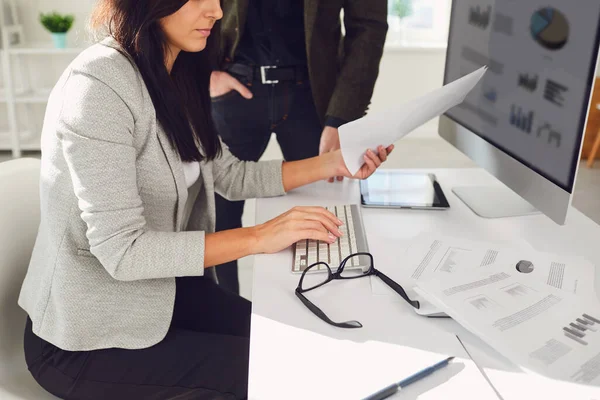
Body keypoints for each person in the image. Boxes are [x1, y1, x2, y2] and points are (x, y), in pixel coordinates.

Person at [17, 0, 393, 399]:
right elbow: (123, 251)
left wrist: (334, 163)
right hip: (85, 338)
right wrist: (259, 237)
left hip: (162, 297)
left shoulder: (175, 73)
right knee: (280, 370)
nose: (216, 11)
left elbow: (230, 174)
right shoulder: (97, 87)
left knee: (305, 342)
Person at [211, 0, 389, 294]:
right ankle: (223, 318)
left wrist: (341, 117)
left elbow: (368, 26)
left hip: (313, 97)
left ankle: (322, 303)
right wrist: (202, 74)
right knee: (219, 216)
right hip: (232, 86)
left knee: (326, 211)